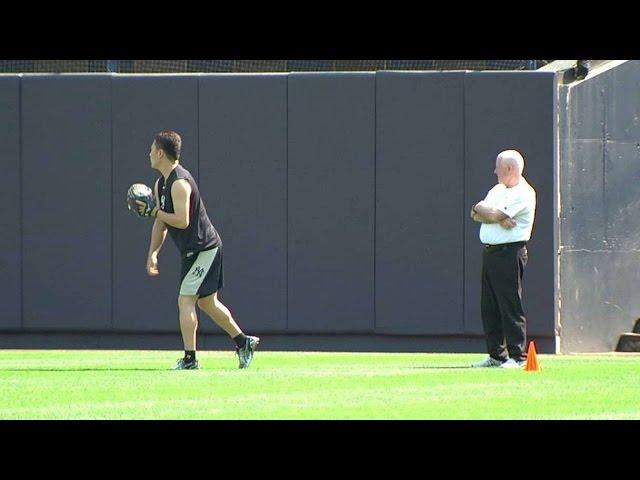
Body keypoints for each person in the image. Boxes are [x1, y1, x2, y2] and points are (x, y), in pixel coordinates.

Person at [135, 131, 259, 370]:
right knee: (207, 303)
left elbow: (181, 220)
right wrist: (153, 252)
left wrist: (153, 212)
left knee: (186, 301)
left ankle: (190, 360)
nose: (149, 153)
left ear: (161, 153)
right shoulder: (161, 183)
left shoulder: (180, 183)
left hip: (205, 248)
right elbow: (161, 222)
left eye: (152, 149)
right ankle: (243, 342)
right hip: (194, 251)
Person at [470, 150, 536, 369]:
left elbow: (494, 215)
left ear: (509, 169)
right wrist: (484, 211)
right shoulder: (497, 190)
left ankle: (518, 357)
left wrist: (492, 215)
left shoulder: (524, 193)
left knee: (509, 304)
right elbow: (477, 213)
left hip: (509, 252)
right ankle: (496, 355)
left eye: (498, 167)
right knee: (489, 306)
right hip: (490, 252)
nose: (494, 171)